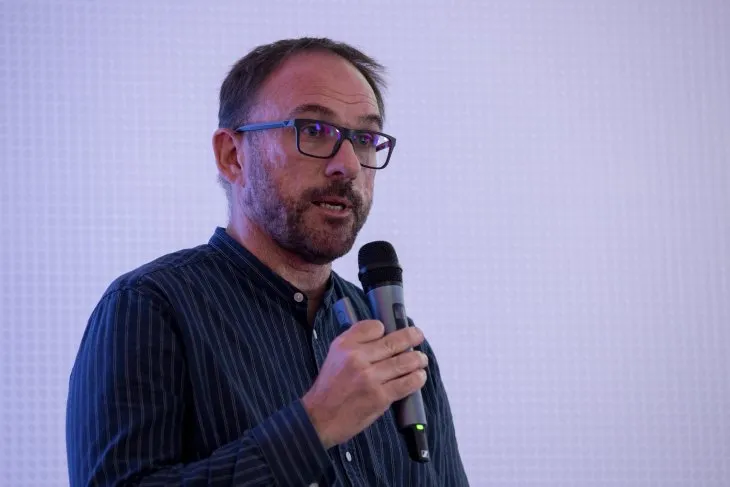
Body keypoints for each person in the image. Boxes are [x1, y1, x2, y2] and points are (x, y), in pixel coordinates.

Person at [66, 37, 469, 486]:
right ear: (232, 156)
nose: (349, 165)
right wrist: (313, 425)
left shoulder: (398, 343)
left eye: (364, 139)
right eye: (314, 130)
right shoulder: (150, 307)